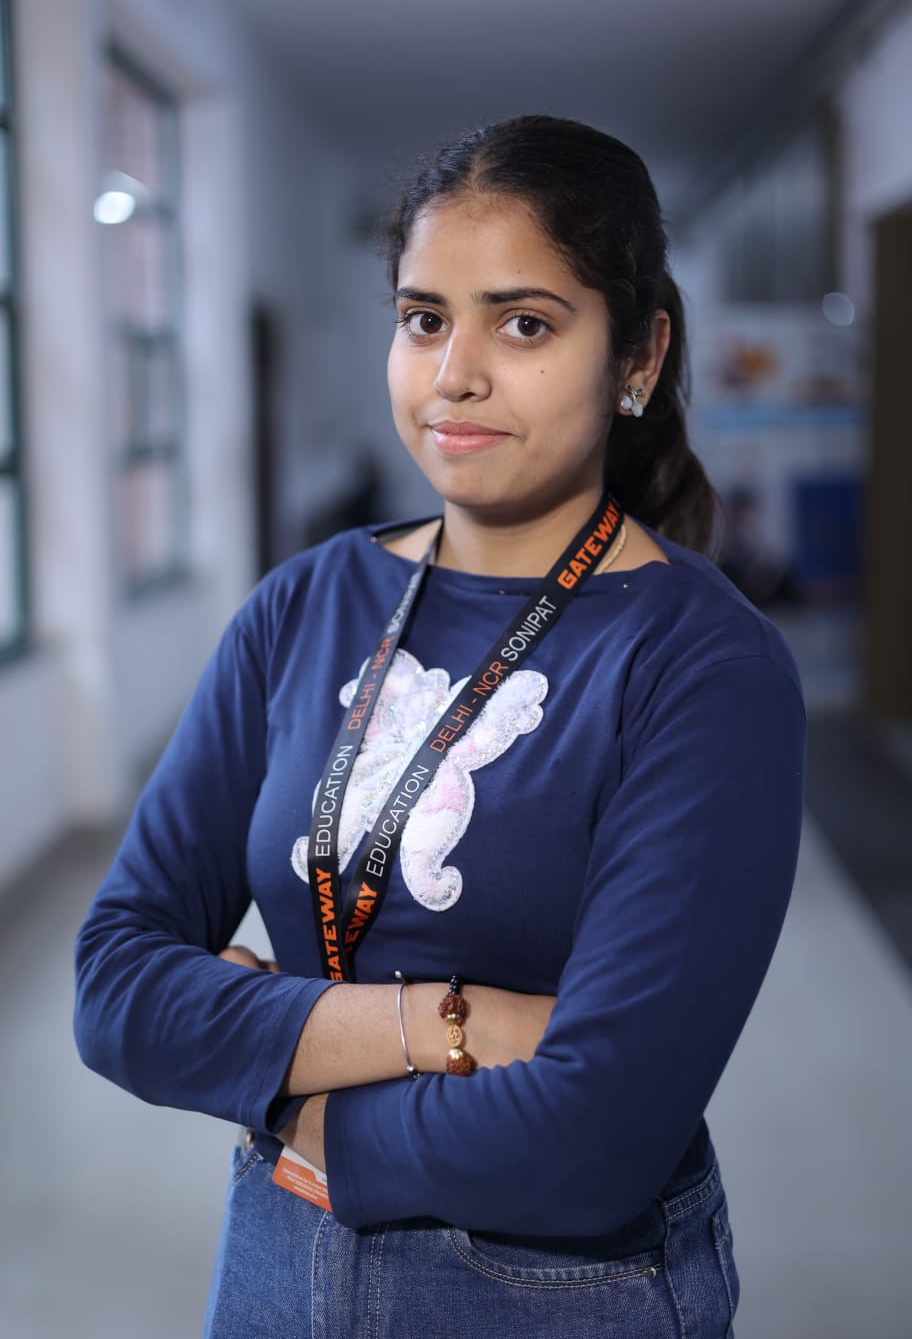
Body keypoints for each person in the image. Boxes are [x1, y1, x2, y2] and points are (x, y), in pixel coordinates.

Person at [74, 114, 806, 1338]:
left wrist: (281, 1091)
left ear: (638, 353)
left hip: (561, 1291)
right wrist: (450, 1023)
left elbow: (597, 1140)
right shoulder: (306, 604)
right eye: (424, 318)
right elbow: (116, 988)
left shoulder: (701, 663)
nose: (454, 373)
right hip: (274, 1268)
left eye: (524, 325)